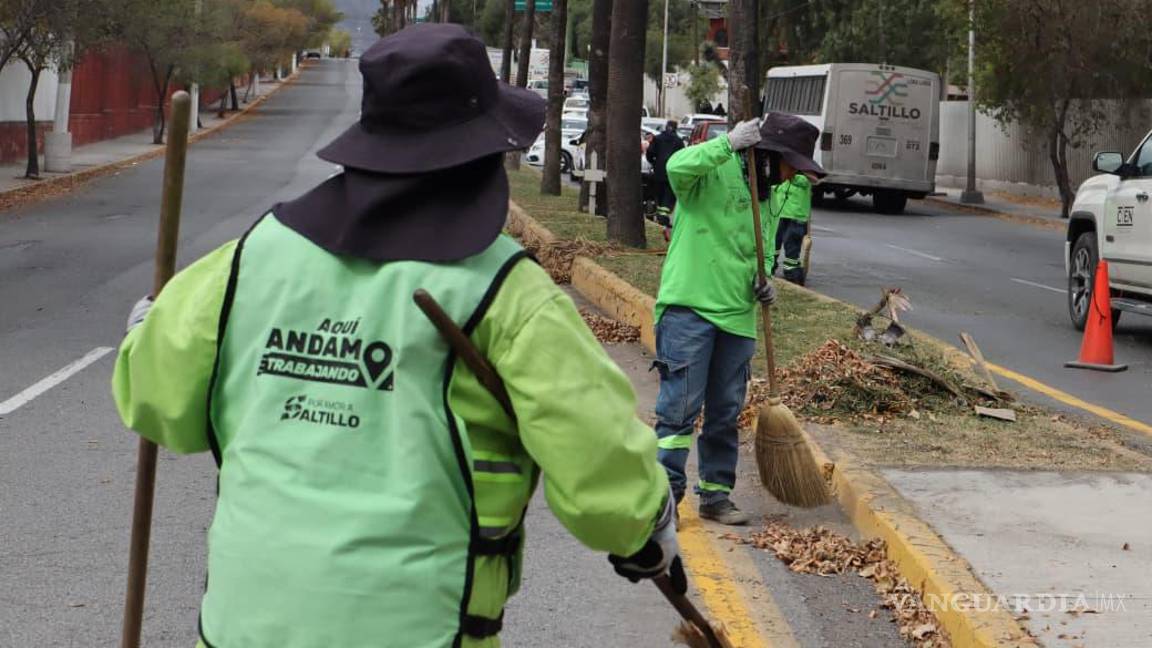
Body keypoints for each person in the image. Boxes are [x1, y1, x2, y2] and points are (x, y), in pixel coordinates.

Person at [113, 24, 679, 648]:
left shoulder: (248, 260)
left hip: (245, 627)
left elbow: (157, 404)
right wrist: (646, 530)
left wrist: (146, 329)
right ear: (479, 155)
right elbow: (598, 460)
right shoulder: (505, 293)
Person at [653, 112, 825, 525]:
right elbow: (675, 166)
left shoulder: (768, 195)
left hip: (737, 317)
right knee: (679, 411)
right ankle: (664, 498)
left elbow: (760, 253)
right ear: (768, 154)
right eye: (790, 166)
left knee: (725, 412)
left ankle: (715, 494)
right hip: (689, 309)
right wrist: (726, 143)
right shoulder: (714, 170)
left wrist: (763, 281)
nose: (790, 178)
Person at [772, 166, 815, 285]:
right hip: (779, 214)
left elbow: (807, 180)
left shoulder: (803, 178)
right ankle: (771, 265)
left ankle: (792, 272)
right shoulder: (781, 177)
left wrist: (788, 173)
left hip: (796, 218)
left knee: (791, 245)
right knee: (773, 243)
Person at [645, 120, 686, 228]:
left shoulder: (658, 139)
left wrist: (654, 163)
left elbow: (649, 152)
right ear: (675, 128)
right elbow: (683, 156)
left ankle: (660, 215)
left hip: (658, 172)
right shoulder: (678, 141)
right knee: (668, 196)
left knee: (659, 194)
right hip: (672, 173)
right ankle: (663, 217)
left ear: (666, 126)